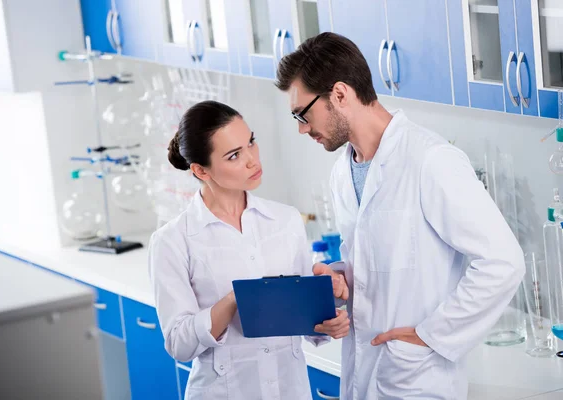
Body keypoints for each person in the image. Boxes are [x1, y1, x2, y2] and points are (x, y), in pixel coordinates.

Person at [275, 32, 525, 399]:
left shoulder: (430, 160)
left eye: (302, 114)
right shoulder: (343, 172)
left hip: (416, 379)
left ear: (340, 94)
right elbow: (385, 260)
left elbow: (504, 261)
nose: (301, 128)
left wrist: (429, 336)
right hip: (364, 375)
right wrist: (342, 278)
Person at [148, 100, 350, 400]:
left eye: (251, 142)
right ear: (201, 170)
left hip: (290, 391)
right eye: (234, 155)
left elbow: (303, 324)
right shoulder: (173, 240)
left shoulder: (285, 220)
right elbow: (179, 345)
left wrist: (327, 315)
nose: (253, 160)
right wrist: (234, 300)